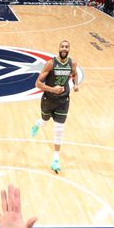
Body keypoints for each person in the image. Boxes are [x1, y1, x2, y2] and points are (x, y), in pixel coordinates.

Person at [29, 40, 79, 173]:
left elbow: (74, 74)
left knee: (59, 129)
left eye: (66, 47)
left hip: (63, 100)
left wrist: (76, 84)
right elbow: (38, 83)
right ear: (58, 48)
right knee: (44, 121)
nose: (64, 48)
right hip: (48, 99)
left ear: (69, 49)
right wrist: (52, 89)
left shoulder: (72, 63)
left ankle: (55, 160)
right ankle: (37, 124)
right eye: (62, 46)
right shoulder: (50, 64)